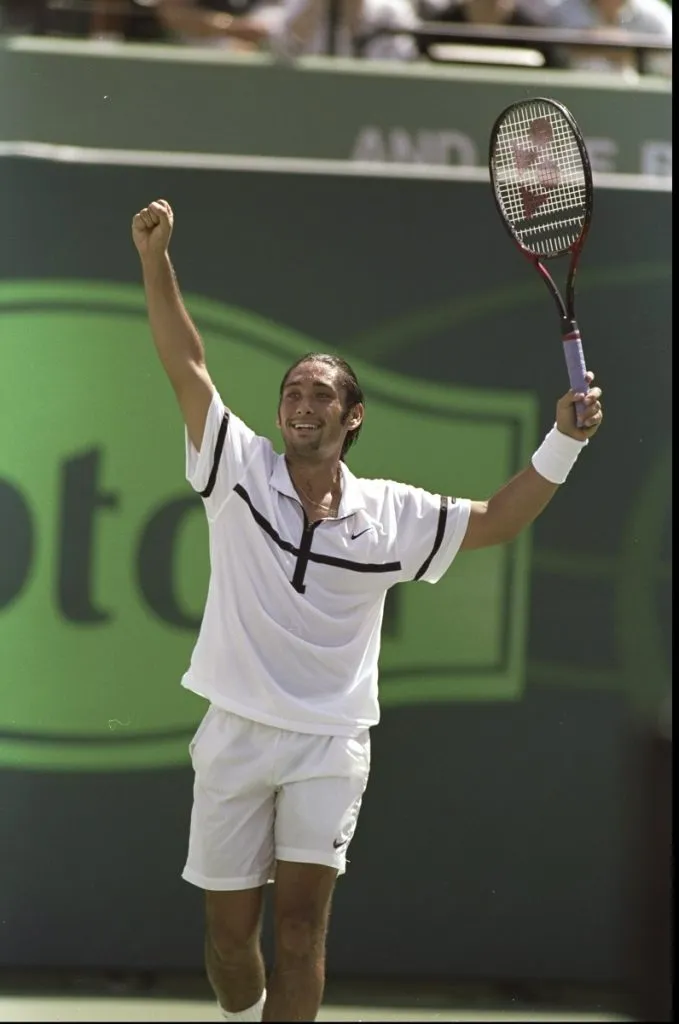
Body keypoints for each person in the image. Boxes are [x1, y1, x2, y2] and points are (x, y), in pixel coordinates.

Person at [131, 198, 604, 1023]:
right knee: (231, 946)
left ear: (350, 418)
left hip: (330, 743)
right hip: (235, 732)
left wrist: (563, 440)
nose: (300, 404)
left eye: (319, 394)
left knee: (301, 931)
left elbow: (497, 519)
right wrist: (154, 259)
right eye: (291, 392)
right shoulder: (235, 470)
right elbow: (187, 365)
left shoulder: (391, 514)